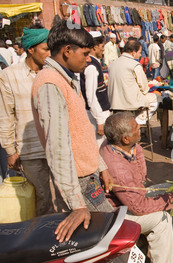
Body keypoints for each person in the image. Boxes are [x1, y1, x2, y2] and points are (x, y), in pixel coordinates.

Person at [31, 17, 114, 242]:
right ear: (67, 50)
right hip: (78, 182)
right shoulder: (50, 83)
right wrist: (77, 205)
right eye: (85, 54)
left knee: (106, 234)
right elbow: (57, 148)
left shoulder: (66, 78)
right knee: (104, 239)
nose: (89, 60)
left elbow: (81, 132)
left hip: (88, 176)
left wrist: (101, 166)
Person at [100, 111, 173, 263]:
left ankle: (165, 243)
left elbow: (141, 177)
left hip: (129, 200)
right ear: (124, 138)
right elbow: (137, 207)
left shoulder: (119, 146)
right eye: (136, 128)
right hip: (118, 214)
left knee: (167, 189)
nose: (140, 129)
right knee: (162, 218)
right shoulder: (118, 168)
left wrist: (136, 149)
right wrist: (171, 200)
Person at [0, 25, 61, 216]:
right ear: (30, 49)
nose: (49, 53)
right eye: (45, 49)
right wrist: (10, 150)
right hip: (30, 150)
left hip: (57, 147)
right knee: (41, 199)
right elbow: (6, 115)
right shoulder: (10, 76)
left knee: (63, 197)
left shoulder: (54, 72)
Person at [108, 39, 158, 114]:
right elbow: (144, 87)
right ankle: (140, 120)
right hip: (130, 103)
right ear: (133, 53)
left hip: (114, 103)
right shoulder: (135, 65)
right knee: (158, 98)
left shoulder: (112, 64)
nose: (140, 55)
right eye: (139, 53)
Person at [80, 31, 111, 147]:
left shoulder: (94, 64)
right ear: (94, 47)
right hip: (96, 114)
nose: (103, 49)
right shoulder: (91, 66)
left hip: (97, 112)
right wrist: (99, 121)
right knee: (99, 148)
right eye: (102, 46)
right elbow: (91, 96)